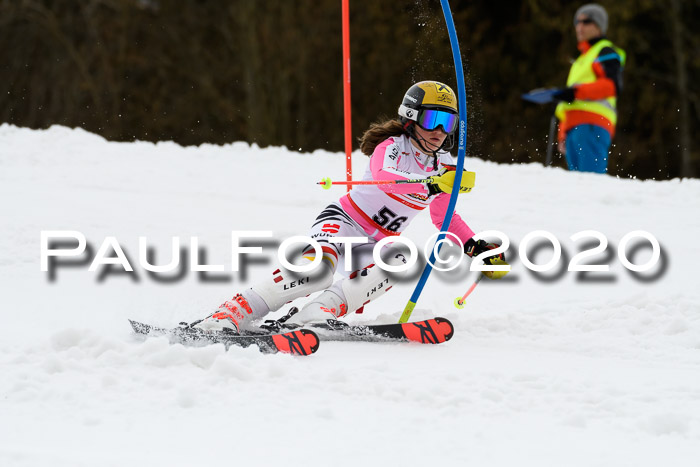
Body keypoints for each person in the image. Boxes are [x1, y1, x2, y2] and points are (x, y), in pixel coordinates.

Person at [195, 80, 508, 334]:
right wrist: (431, 183)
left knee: (401, 260)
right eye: (431, 120)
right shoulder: (393, 148)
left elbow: (443, 215)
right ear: (411, 118)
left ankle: (318, 312)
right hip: (344, 221)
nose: (439, 132)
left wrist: (475, 246)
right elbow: (386, 178)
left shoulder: (442, 166)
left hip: (376, 242)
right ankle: (235, 310)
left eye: (447, 122)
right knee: (318, 271)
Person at [553, 4, 626, 174]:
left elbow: (613, 85)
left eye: (586, 21)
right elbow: (570, 102)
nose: (580, 26)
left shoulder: (604, 51)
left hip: (592, 125)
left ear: (599, 26)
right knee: (579, 187)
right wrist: (563, 132)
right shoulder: (582, 59)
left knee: (590, 185)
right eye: (577, 22)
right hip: (574, 129)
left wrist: (575, 92)